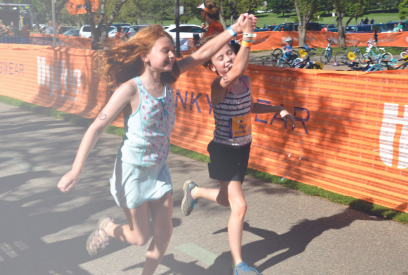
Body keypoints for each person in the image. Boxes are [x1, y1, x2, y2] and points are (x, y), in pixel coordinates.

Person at [57, 15, 256, 275]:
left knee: (164, 234)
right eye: (166, 50)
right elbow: (97, 126)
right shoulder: (130, 89)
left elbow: (203, 53)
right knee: (139, 237)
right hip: (132, 173)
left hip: (159, 171)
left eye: (173, 50)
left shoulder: (169, 79)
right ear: (144, 55)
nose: (173, 55)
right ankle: (107, 228)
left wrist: (234, 29)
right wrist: (76, 169)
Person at [181, 17, 296, 275]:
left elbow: (250, 107)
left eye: (230, 53)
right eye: (220, 58)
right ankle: (238, 266)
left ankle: (195, 192)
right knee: (240, 206)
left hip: (243, 148)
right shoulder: (218, 86)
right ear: (211, 68)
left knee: (227, 200)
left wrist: (278, 109)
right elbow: (236, 72)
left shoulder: (245, 83)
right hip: (222, 150)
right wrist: (247, 35)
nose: (228, 59)